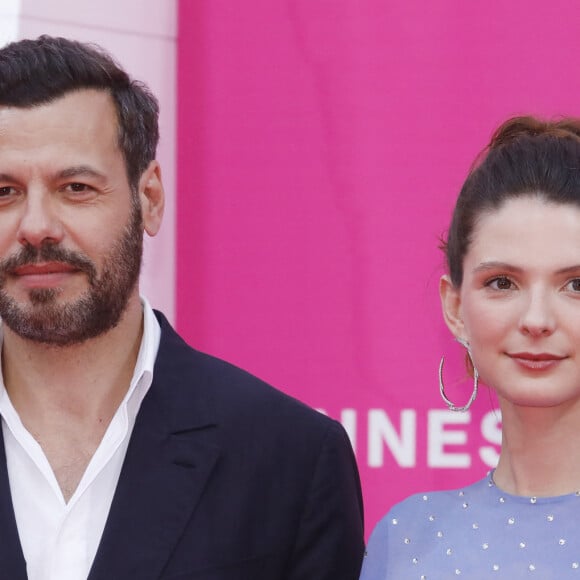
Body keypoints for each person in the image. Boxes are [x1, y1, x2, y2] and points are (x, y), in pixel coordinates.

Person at [0, 35, 365, 580]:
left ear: (149, 199)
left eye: (74, 187)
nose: (36, 227)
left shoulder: (289, 457)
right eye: (3, 192)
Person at [360, 115, 580, 579]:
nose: (536, 319)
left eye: (575, 284)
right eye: (503, 282)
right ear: (455, 307)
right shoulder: (406, 541)